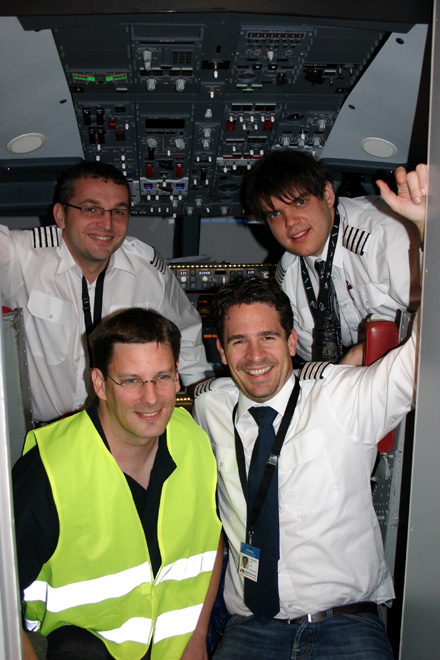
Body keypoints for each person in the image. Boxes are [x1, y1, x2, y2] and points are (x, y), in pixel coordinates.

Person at [192, 274, 419, 660]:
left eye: (268, 337)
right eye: (239, 341)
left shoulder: (342, 398)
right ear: (222, 351)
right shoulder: (210, 408)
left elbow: (420, 358)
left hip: (344, 624)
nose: (255, 356)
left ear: (291, 341)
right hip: (250, 628)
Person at [13, 307, 222, 660]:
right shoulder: (47, 472)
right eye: (131, 381)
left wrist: (197, 636)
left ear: (177, 377)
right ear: (99, 384)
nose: (151, 398)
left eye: (162, 377)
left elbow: (207, 537)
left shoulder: (193, 441)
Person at [0, 161, 209, 423]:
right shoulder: (20, 257)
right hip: (44, 430)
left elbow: (185, 331)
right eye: (91, 209)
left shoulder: (147, 270)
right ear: (60, 215)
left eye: (118, 212)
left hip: (120, 429)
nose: (107, 224)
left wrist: (202, 399)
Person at [241, 150, 421, 366]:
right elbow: (315, 362)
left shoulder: (382, 235)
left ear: (327, 195)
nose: (290, 222)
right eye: (275, 214)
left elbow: (434, 317)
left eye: (300, 202)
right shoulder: (288, 277)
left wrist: (363, 354)